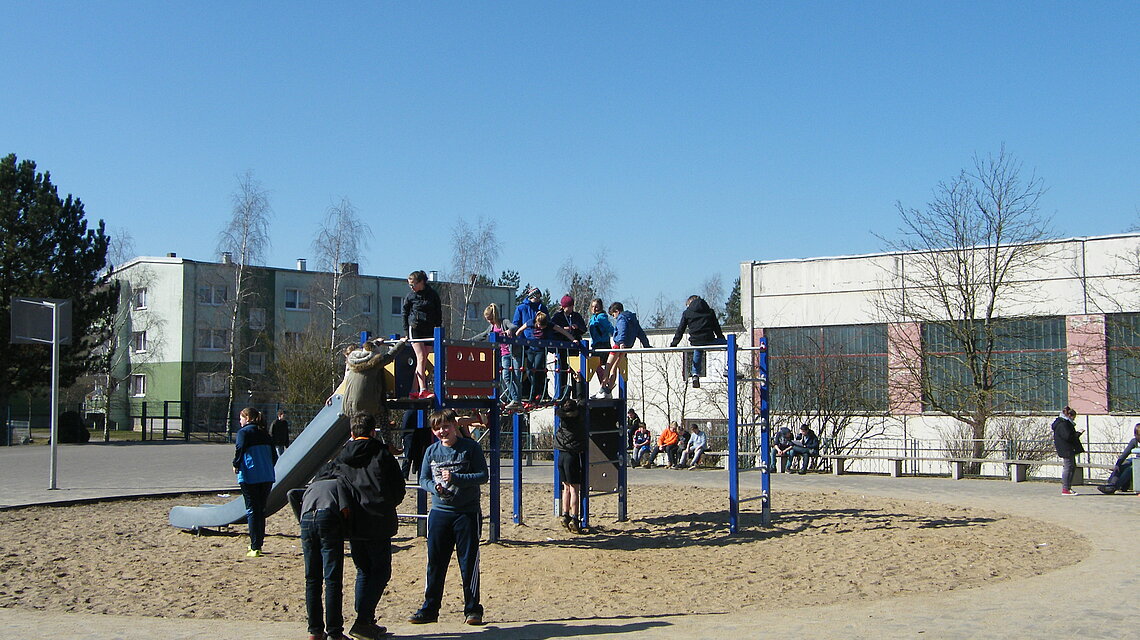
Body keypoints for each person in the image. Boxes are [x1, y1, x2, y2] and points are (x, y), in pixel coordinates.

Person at [410, 409, 489, 626]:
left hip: (466, 512)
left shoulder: (470, 448)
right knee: (435, 562)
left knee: (468, 562)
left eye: (445, 426)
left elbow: (483, 476)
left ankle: (473, 609)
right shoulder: (431, 451)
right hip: (439, 513)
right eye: (437, 428)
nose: (442, 431)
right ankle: (430, 608)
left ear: (454, 425)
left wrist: (457, 478)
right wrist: (434, 488)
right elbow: (423, 478)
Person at [333, 412, 406, 640]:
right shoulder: (381, 454)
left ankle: (365, 618)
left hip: (353, 521)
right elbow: (398, 487)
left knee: (363, 569)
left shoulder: (341, 457)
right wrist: (387, 503)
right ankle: (363, 620)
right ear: (373, 431)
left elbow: (329, 481)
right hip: (378, 519)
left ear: (352, 433)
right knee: (381, 571)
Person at [298, 465, 351, 640]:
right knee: (332, 580)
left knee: (312, 579)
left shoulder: (313, 486)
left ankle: (315, 631)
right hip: (328, 518)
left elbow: (293, 496)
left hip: (306, 520)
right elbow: (345, 510)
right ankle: (335, 632)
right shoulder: (339, 484)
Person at [331, 336, 407, 444]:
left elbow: (368, 348)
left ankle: (353, 444)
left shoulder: (353, 361)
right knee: (382, 413)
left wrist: (375, 343)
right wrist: (401, 343)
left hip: (348, 405)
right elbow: (390, 356)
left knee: (357, 426)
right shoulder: (373, 363)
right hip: (364, 404)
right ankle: (388, 444)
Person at [232, 407, 277, 557]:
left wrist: (236, 464)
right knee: (261, 509)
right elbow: (274, 456)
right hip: (267, 475)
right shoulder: (265, 433)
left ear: (247, 418)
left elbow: (240, 449)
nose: (240, 421)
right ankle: (259, 543)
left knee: (252, 510)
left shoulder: (243, 433)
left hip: (250, 475)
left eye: (241, 418)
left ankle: (254, 546)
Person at [593, 301, 651, 399]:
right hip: (626, 347)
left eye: (613, 315)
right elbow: (640, 332)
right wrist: (646, 345)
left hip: (618, 346)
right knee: (614, 368)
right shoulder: (633, 319)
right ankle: (608, 390)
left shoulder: (621, 318)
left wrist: (621, 342)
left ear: (617, 311)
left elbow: (622, 329)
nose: (614, 317)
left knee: (608, 366)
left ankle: (602, 389)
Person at [669, 295, 727, 388]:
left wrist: (674, 344)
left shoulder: (687, 313)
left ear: (690, 303)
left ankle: (695, 374)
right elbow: (716, 327)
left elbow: (680, 329)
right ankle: (728, 367)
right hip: (709, 339)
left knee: (698, 348)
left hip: (696, 341)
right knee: (731, 345)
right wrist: (722, 339)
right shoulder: (709, 311)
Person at [473, 303, 522, 410]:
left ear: (494, 316)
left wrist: (509, 330)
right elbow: (482, 335)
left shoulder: (504, 322)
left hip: (513, 353)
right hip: (504, 355)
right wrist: (469, 341)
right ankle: (515, 399)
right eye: (487, 319)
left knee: (517, 376)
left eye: (490, 318)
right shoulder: (491, 327)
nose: (489, 321)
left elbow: (514, 326)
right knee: (506, 377)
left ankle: (518, 400)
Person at [403, 270, 443, 399]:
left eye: (413, 284)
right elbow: (405, 313)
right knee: (420, 357)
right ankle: (423, 389)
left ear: (421, 282)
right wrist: (406, 332)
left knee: (424, 358)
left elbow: (438, 312)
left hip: (429, 329)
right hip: (415, 328)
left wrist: (437, 329)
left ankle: (414, 390)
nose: (412, 287)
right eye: (410, 285)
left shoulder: (432, 295)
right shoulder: (410, 297)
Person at [553, 399, 587, 533]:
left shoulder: (562, 419)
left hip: (561, 456)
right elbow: (583, 403)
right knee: (574, 489)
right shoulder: (577, 421)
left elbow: (560, 408)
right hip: (572, 456)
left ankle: (565, 514)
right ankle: (575, 518)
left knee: (566, 488)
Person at [510, 288, 550, 404]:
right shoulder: (521, 308)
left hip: (540, 345)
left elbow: (547, 324)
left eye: (539, 297)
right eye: (535, 297)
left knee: (538, 369)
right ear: (530, 296)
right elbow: (517, 325)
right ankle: (525, 393)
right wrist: (517, 338)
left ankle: (539, 393)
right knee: (526, 370)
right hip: (525, 345)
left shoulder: (542, 308)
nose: (537, 299)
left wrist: (548, 340)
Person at [549, 294, 587, 401]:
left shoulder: (576, 316)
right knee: (563, 371)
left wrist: (577, 327)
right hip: (562, 348)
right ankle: (562, 394)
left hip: (574, 349)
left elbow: (584, 329)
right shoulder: (558, 317)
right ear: (564, 306)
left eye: (572, 306)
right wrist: (566, 328)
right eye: (569, 306)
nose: (571, 308)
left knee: (576, 371)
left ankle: (577, 394)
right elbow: (553, 329)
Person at [1097, 422, 1140, 494]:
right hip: (1137, 460)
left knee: (1130, 469)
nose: (1137, 437)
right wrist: (1117, 464)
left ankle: (1114, 487)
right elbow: (1125, 453)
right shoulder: (1134, 441)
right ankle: (1111, 484)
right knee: (1123, 464)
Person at [1052, 406, 1083, 496]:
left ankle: (1068, 488)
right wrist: (1078, 433)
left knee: (1071, 466)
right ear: (1070, 415)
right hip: (1067, 449)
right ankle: (1066, 489)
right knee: (1068, 467)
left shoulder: (1061, 423)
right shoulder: (1063, 424)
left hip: (1066, 448)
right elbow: (1068, 437)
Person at [399, 409, 431, 480]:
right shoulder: (420, 411)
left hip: (409, 436)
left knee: (408, 456)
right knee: (414, 455)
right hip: (414, 436)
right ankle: (408, 473)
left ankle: (405, 474)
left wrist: (402, 435)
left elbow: (405, 423)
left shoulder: (409, 411)